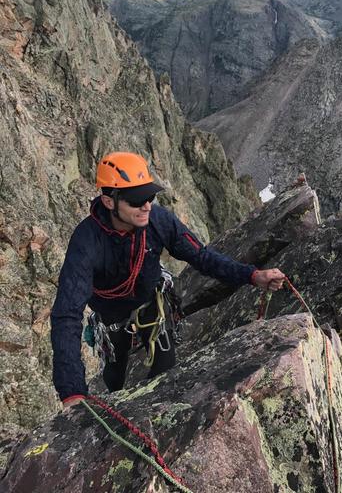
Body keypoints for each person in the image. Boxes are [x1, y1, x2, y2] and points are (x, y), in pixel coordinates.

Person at [51, 151, 285, 408]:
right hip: (111, 319)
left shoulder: (158, 222)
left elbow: (202, 257)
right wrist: (72, 391)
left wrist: (252, 275)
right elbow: (67, 313)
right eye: (137, 199)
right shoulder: (86, 242)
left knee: (166, 372)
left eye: (149, 196)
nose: (147, 205)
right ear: (109, 202)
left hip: (151, 302)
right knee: (114, 376)